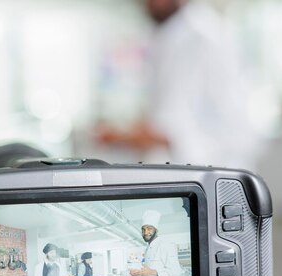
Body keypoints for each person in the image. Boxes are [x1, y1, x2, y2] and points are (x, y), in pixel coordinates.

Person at [97, 0, 259, 169]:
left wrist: (129, 137)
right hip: (180, 178)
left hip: (215, 177)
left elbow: (236, 132)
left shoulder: (208, 39)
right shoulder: (165, 37)